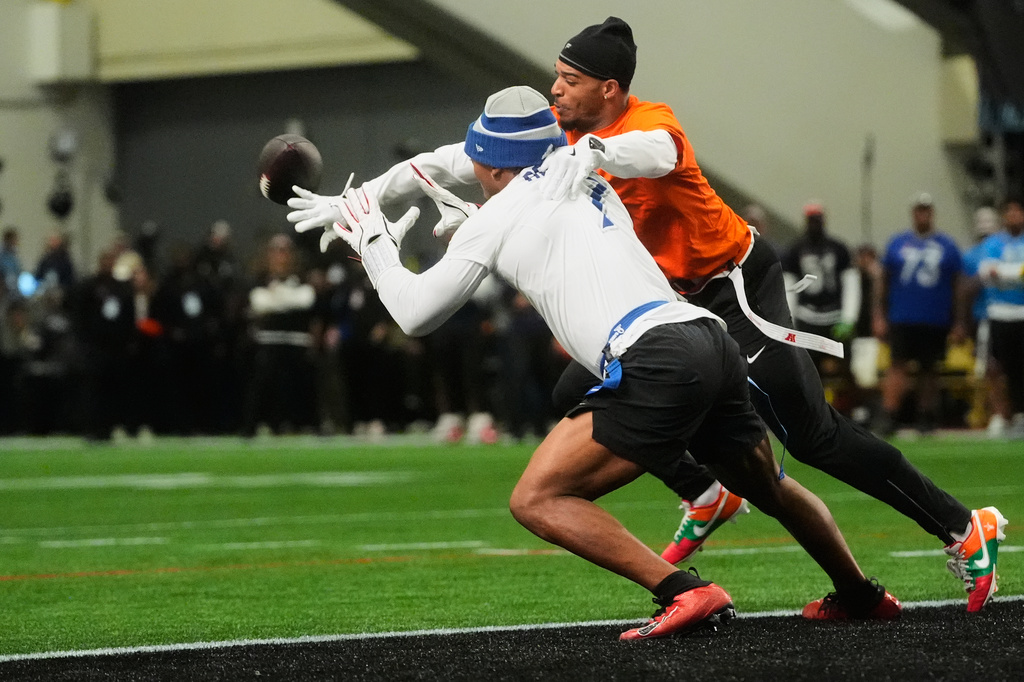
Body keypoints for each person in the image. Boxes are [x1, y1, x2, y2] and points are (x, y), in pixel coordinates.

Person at [285, 18, 1006, 614]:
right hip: (668, 313)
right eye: (556, 77)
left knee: (810, 436)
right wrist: (358, 201)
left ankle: (958, 523)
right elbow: (446, 162)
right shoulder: (556, 136)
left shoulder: (640, 124)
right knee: (577, 395)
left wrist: (600, 150)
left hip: (731, 287)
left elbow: (656, 151)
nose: (554, 89)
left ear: (608, 88)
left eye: (568, 80)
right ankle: (703, 490)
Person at [874, 193, 965, 435]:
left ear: (931, 213)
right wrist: (879, 315)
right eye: (919, 210)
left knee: (930, 369)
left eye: (927, 210)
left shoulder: (947, 246)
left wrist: (958, 321)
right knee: (898, 366)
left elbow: (957, 285)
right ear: (913, 213)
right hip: (903, 315)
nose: (922, 214)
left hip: (935, 317)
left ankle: (926, 414)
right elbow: (883, 281)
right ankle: (890, 413)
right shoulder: (897, 243)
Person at [964, 196, 1024, 438]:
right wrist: (1017, 274)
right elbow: (986, 273)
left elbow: (997, 273)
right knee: (994, 367)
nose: (1013, 216)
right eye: (1008, 212)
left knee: (1020, 367)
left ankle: (1020, 413)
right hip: (998, 312)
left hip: (1022, 313)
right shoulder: (992, 243)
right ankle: (1001, 414)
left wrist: (1002, 274)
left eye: (1017, 211)